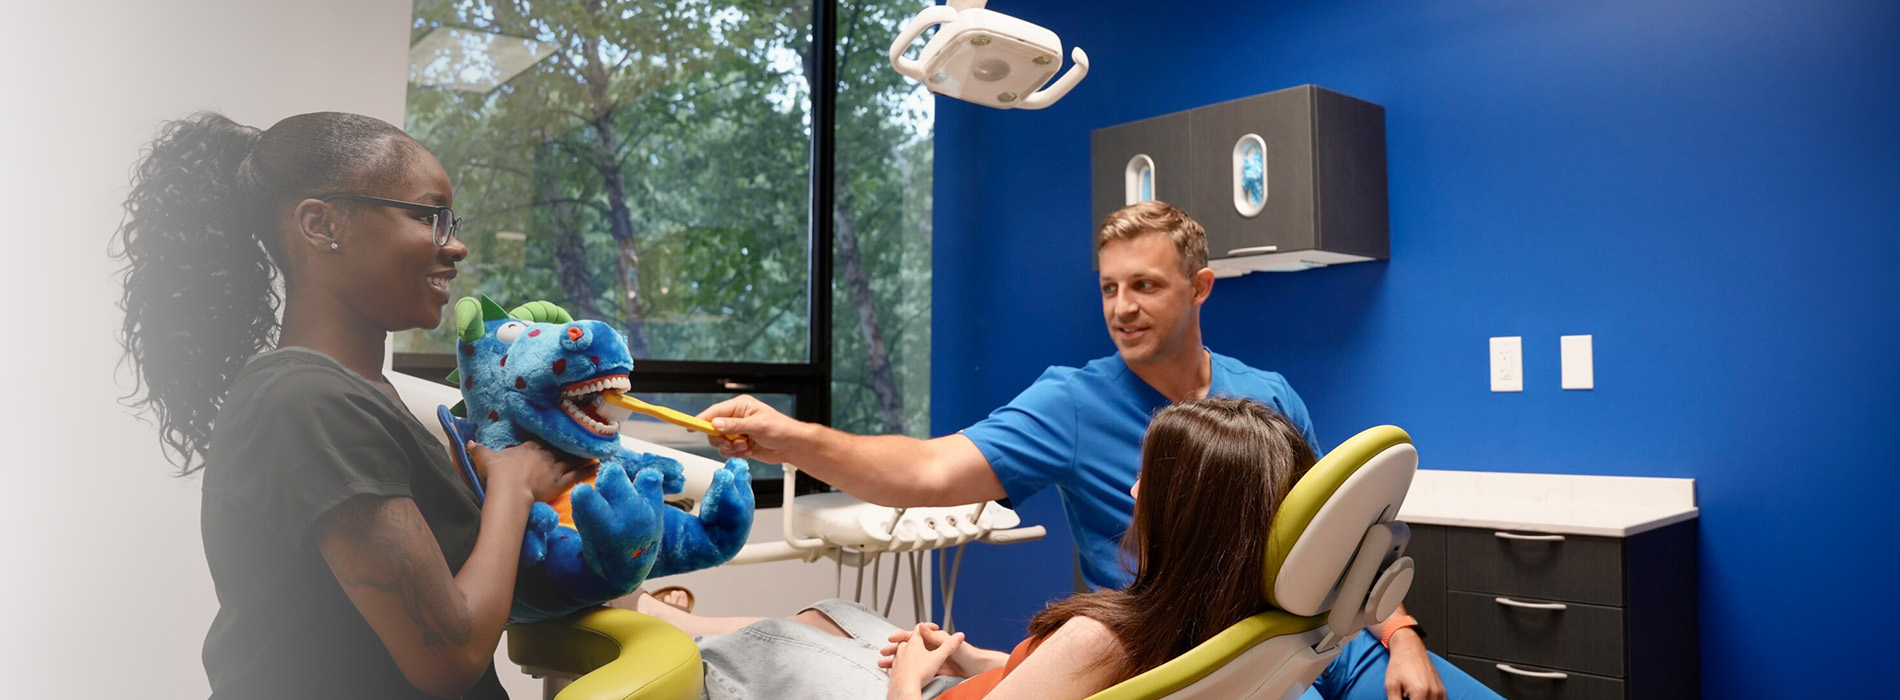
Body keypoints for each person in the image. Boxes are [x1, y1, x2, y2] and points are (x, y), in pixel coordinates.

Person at [696, 201, 1501, 700]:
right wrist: (790, 437)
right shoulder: (1075, 402)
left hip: (1310, 640)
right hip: (1181, 659)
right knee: (819, 627)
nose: (1121, 307)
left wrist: (1400, 636)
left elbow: (1337, 549)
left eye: (1145, 286)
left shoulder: (1269, 399)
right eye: (1109, 287)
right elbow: (930, 471)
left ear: (1200, 287)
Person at [114, 111, 590, 699]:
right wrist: (514, 492)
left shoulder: (362, 393)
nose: (456, 245)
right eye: (427, 216)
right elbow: (449, 654)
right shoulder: (307, 401)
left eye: (451, 221)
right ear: (321, 224)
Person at [632, 397, 1317, 700]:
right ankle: (677, 616)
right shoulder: (1215, 620)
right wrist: (971, 659)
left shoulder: (1098, 639)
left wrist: (909, 683)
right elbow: (1077, 687)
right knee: (830, 612)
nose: (1134, 488)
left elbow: (1081, 668)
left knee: (771, 643)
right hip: (979, 685)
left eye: (1150, 478)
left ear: (1187, 514)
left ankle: (657, 625)